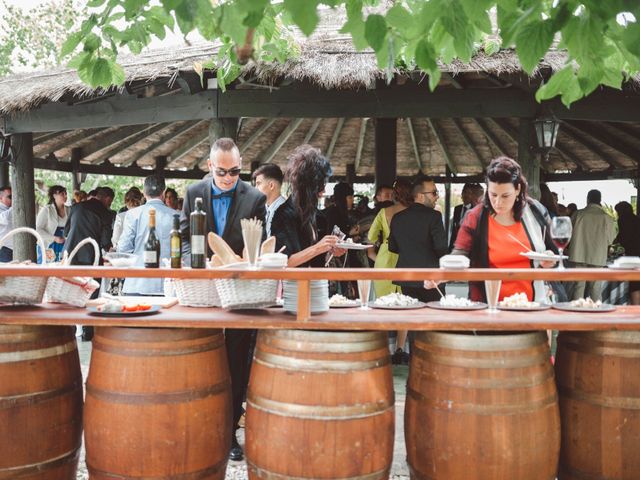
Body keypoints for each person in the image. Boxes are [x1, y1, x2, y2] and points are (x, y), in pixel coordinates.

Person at [180, 137, 265, 463]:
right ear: (209, 167)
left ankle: (230, 433)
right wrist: (194, 265)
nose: (229, 177)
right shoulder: (193, 193)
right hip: (201, 289)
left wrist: (239, 267)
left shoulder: (254, 197)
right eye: (222, 171)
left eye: (235, 171)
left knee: (236, 363)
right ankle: (201, 427)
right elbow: (187, 238)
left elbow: (252, 248)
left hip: (238, 289)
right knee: (201, 359)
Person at [450, 157, 557, 303]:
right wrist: (445, 270)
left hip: (533, 307)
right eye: (493, 195)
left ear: (518, 189)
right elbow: (459, 253)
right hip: (488, 309)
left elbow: (555, 252)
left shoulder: (535, 211)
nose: (498, 202)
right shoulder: (475, 217)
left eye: (505, 196)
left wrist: (550, 259)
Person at [271, 144, 346, 267]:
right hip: (293, 285)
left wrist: (331, 251)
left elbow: (318, 260)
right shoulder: (284, 215)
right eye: (320, 187)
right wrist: (318, 247)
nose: (323, 193)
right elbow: (284, 262)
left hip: (318, 284)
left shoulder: (317, 216)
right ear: (308, 187)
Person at [368, 179, 413, 364]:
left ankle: (382, 349)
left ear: (395, 194)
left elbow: (370, 239)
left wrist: (375, 258)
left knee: (381, 306)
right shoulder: (414, 213)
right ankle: (400, 350)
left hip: (384, 260)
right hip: (406, 259)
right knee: (405, 307)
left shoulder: (383, 212)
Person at [389, 177, 447, 302]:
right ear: (420, 196)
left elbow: (392, 247)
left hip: (406, 277)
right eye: (434, 193)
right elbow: (441, 247)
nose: (437, 197)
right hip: (432, 278)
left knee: (411, 317)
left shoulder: (397, 218)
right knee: (434, 317)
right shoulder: (434, 216)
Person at [118, 176, 176, 295]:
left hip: (137, 282)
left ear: (144, 193)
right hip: (169, 284)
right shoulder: (177, 216)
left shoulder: (132, 214)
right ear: (164, 192)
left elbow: (123, 249)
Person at [568, 189, 616, 301]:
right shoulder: (606, 218)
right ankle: (597, 312)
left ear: (588, 199)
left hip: (579, 254)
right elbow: (611, 240)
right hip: (598, 256)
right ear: (600, 200)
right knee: (596, 288)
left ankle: (577, 311)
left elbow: (568, 234)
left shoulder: (578, 214)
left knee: (579, 286)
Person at [615, 201, 640, 305]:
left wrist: (615, 242)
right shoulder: (637, 219)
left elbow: (623, 237)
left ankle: (636, 310)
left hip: (633, 255)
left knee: (635, 285)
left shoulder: (623, 220)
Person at [36, 185, 70, 262]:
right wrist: (54, 238)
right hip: (49, 245)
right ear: (54, 196)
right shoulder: (46, 210)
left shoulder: (69, 209)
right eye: (62, 194)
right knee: (49, 267)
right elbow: (38, 229)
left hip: (64, 244)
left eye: (66, 193)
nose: (65, 196)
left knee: (63, 267)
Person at [252, 163, 285, 237]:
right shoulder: (262, 209)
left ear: (271, 186)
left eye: (258, 183)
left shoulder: (285, 212)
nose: (255, 188)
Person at [449, 183, 483, 251]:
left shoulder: (476, 210)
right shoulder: (457, 209)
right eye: (464, 192)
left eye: (468, 193)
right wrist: (450, 248)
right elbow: (453, 231)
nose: (465, 195)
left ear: (473, 195)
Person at [0, 185, 12, 262]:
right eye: (10, 197)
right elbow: (5, 219)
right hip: (4, 248)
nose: (13, 199)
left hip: (15, 247)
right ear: (0, 198)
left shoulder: (10, 209)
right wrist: (17, 204)